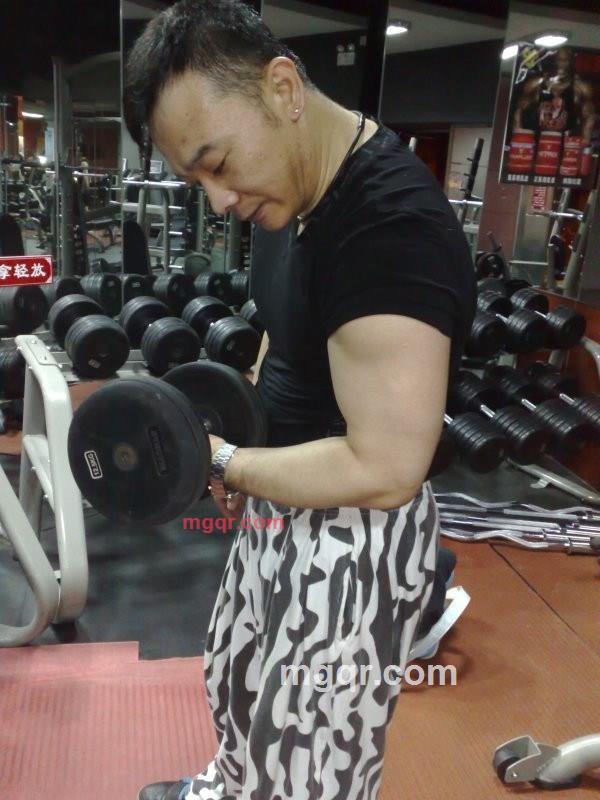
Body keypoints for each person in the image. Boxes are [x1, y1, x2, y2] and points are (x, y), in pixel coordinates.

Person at [123, 1, 475, 798]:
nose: (218, 200)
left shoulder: (388, 229)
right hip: (283, 497)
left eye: (217, 163)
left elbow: (385, 467)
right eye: (196, 180)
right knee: (237, 678)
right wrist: (241, 434)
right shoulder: (288, 188)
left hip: (355, 539)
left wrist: (222, 461)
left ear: (282, 88)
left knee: (310, 754)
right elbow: (283, 332)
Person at [513, 46, 595, 141]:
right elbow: (518, 112)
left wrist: (584, 144)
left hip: (567, 142)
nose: (562, 63)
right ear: (553, 60)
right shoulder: (535, 85)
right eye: (559, 59)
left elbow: (589, 118)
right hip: (538, 140)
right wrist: (520, 140)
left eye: (566, 60)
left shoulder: (581, 88)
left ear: (571, 62)